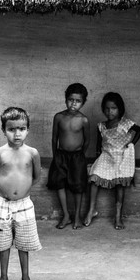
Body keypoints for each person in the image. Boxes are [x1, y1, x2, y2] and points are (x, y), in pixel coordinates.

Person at [0, 107, 42, 280]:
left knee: (24, 243)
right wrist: (5, 193)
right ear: (4, 130)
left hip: (24, 204)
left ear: (28, 130)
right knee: (3, 243)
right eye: (11, 129)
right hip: (3, 204)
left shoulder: (32, 153)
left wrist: (22, 191)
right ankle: (3, 277)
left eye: (22, 129)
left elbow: (36, 177)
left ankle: (25, 277)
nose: (17, 134)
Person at [84, 92, 140, 230]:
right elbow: (99, 143)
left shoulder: (125, 123)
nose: (109, 111)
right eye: (107, 108)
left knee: (119, 183)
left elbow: (139, 130)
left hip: (121, 156)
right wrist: (97, 155)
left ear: (120, 109)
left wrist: (131, 143)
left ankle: (118, 216)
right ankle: (91, 210)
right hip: (106, 155)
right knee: (94, 177)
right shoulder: (101, 126)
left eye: (113, 108)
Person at [47, 83, 90, 230]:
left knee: (78, 186)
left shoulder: (83, 120)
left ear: (83, 103)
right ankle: (66, 215)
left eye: (78, 101)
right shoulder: (59, 117)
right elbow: (54, 138)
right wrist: (55, 156)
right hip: (60, 155)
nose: (73, 104)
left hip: (77, 157)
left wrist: (80, 156)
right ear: (65, 99)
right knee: (59, 184)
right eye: (71, 100)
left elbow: (87, 141)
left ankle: (77, 217)